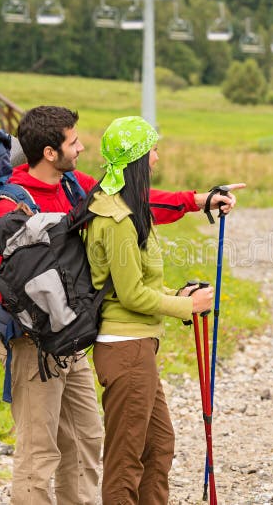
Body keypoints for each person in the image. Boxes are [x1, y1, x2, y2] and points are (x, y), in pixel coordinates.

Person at [0, 106, 240, 504]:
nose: (82, 146)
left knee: (87, 440)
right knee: (40, 450)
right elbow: (6, 283)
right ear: (50, 152)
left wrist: (198, 200)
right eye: (73, 142)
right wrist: (181, 305)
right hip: (32, 342)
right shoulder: (11, 205)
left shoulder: (74, 187)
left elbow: (137, 201)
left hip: (75, 337)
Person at [86, 116, 215, 504]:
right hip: (125, 348)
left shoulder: (126, 206)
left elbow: (136, 286)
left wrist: (178, 294)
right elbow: (131, 296)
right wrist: (186, 306)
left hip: (138, 347)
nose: (158, 158)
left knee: (158, 447)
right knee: (126, 461)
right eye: (153, 150)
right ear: (138, 159)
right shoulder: (117, 218)